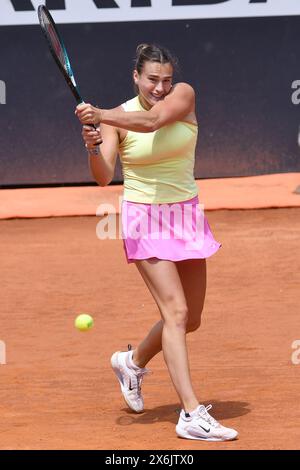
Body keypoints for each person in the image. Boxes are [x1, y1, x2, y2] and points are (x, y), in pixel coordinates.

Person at [75, 44, 238, 441]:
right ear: (136, 77)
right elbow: (102, 176)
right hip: (144, 218)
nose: (161, 87)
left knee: (191, 318)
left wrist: (100, 114)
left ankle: (131, 362)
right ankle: (190, 414)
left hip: (186, 215)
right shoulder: (115, 119)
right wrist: (94, 142)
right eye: (152, 79)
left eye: (165, 79)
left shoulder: (184, 95)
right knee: (176, 312)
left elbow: (151, 123)